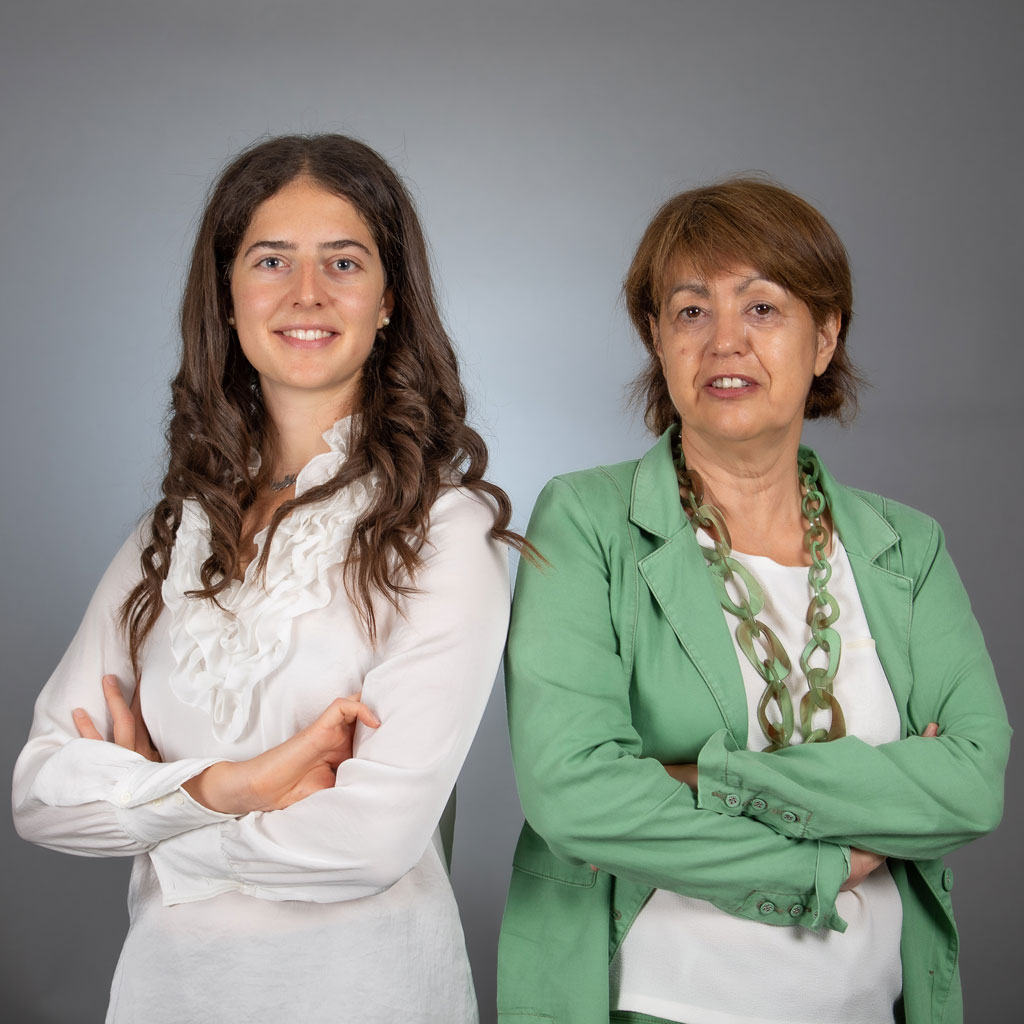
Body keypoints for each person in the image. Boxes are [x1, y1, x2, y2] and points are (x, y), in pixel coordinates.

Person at [13, 134, 519, 1024]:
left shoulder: (443, 529)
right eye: (272, 260)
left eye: (344, 262)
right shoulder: (170, 535)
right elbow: (39, 793)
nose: (306, 293)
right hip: (164, 997)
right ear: (228, 296)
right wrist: (234, 787)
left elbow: (369, 844)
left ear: (389, 300)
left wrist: (159, 813)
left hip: (369, 998)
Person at [498, 178, 1010, 1024]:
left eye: (763, 308)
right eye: (691, 311)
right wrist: (826, 861)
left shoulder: (907, 548)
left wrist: (710, 777)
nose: (725, 342)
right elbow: (572, 795)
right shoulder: (586, 521)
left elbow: (970, 785)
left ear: (826, 336)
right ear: (657, 338)